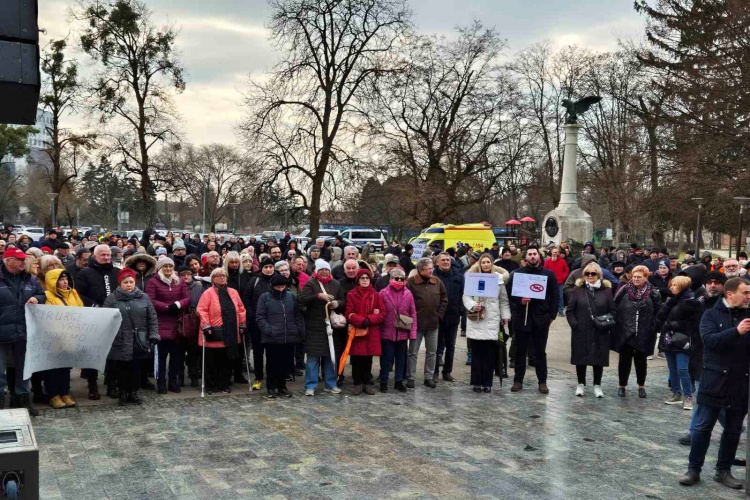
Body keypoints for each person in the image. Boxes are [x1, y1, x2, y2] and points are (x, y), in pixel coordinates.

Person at [679, 278, 750, 489]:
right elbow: (710, 341)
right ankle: (693, 469)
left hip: (741, 383)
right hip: (714, 380)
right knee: (703, 427)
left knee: (733, 429)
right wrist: (736, 331)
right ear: (730, 294)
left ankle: (723, 471)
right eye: (745, 292)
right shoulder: (710, 314)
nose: (749, 296)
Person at [506, 246, 560, 394]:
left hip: (541, 319)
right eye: (529, 254)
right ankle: (518, 380)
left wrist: (552, 316)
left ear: (539, 256)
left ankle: (542, 381)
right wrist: (519, 301)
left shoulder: (548, 274)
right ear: (525, 258)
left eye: (534, 254)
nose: (532, 257)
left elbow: (555, 296)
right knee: (520, 351)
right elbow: (509, 295)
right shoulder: (517, 274)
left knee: (540, 352)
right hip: (522, 318)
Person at [104, 268, 159, 406]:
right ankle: (123, 392)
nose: (129, 285)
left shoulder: (144, 297)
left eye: (131, 282)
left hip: (139, 339)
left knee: (136, 367)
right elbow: (105, 318)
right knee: (122, 368)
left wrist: (153, 334)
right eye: (125, 282)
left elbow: (152, 317)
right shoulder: (112, 299)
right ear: (120, 283)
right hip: (120, 339)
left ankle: (133, 392)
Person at [0, 248, 45, 415]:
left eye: (24, 259)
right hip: (2, 333)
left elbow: (42, 294)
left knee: (24, 368)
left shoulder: (30, 279)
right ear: (8, 260)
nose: (23, 262)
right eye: (19, 259)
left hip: (24, 332)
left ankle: (22, 399)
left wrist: (38, 298)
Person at [74, 244, 120, 400]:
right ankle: (92, 385)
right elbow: (78, 294)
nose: (107, 258)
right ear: (95, 256)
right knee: (92, 353)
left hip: (113, 317)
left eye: (108, 255)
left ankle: (112, 383)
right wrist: (94, 304)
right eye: (103, 255)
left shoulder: (116, 272)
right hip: (93, 317)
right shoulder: (85, 273)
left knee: (114, 352)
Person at [565, 262, 616, 398]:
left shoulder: (607, 291)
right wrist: (575, 325)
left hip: (600, 330)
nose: (590, 276)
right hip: (581, 329)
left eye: (593, 273)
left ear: (598, 275)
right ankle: (581, 383)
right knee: (580, 357)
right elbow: (570, 310)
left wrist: (605, 323)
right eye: (587, 273)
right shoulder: (577, 290)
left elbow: (613, 310)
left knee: (598, 357)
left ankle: (597, 385)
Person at [462, 254, 511, 393]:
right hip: (477, 319)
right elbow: (466, 297)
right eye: (483, 262)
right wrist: (473, 305)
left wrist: (505, 316)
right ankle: (476, 382)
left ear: (492, 263)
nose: (486, 264)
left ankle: (487, 383)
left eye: (488, 262)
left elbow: (503, 301)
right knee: (477, 354)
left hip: (492, 321)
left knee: (489, 355)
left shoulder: (499, 280)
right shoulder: (472, 278)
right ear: (479, 264)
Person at [612, 265, 661, 398]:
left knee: (641, 361)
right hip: (626, 331)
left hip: (644, 332)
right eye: (634, 276)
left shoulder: (653, 292)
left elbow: (658, 312)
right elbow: (614, 305)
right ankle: (622, 385)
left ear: (646, 278)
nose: (635, 279)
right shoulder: (624, 289)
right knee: (624, 361)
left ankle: (641, 386)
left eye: (639, 277)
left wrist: (654, 326)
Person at [196, 268, 247, 394]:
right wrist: (206, 325)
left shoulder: (233, 292)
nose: (222, 277)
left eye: (224, 275)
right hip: (213, 331)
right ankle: (210, 385)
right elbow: (201, 310)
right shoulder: (208, 293)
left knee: (227, 360)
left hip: (230, 332)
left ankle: (224, 383)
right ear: (213, 278)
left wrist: (242, 323)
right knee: (211, 361)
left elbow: (241, 309)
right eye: (219, 275)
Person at [298, 260, 345, 396]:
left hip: (331, 327)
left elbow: (343, 301)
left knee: (331, 357)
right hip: (314, 326)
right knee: (313, 358)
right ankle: (310, 385)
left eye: (326, 270)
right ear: (316, 271)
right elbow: (303, 300)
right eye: (321, 270)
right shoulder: (310, 283)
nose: (324, 272)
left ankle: (331, 384)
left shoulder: (336, 284)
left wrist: (336, 303)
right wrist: (318, 296)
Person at [255, 274, 305, 399]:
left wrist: (298, 329)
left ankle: (282, 386)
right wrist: (269, 330)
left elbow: (297, 315)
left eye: (283, 287)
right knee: (272, 363)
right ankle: (271, 387)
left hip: (288, 336)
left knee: (285, 363)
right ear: (272, 287)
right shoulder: (264, 298)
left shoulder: (291, 297)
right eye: (278, 287)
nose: (281, 289)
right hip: (272, 337)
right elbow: (260, 317)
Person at [145, 257, 190, 394]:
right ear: (160, 268)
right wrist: (166, 307)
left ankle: (173, 381)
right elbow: (150, 300)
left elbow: (187, 298)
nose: (168, 269)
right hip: (160, 322)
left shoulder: (180, 281)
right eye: (165, 266)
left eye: (170, 266)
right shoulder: (153, 282)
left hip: (177, 324)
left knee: (176, 357)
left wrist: (177, 305)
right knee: (161, 357)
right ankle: (161, 383)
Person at [656, 276, 701, 410]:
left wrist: (672, 324)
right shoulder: (672, 301)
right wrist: (662, 325)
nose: (671, 287)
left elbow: (694, 323)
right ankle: (676, 393)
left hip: (683, 340)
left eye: (674, 285)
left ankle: (688, 396)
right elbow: (661, 316)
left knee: (682, 369)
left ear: (681, 287)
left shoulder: (691, 302)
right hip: (668, 338)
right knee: (672, 369)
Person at [43, 269, 84, 409]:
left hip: (70, 336)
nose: (65, 282)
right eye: (61, 279)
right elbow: (49, 316)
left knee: (66, 367)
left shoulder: (73, 293)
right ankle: (53, 395)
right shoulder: (47, 295)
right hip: (55, 338)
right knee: (53, 368)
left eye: (66, 278)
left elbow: (80, 309)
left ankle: (64, 392)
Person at [406, 258, 447, 388]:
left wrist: (439, 315)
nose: (431, 270)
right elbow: (406, 301)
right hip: (416, 324)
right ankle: (410, 377)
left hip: (433, 323)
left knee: (432, 352)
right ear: (420, 270)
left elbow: (444, 299)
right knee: (413, 352)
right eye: (428, 269)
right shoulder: (411, 282)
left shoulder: (437, 281)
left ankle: (429, 377)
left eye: (431, 268)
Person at [345, 268, 386, 395]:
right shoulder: (352, 294)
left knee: (368, 359)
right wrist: (361, 320)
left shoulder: (376, 295)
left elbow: (383, 313)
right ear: (358, 280)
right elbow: (349, 312)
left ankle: (366, 383)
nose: (365, 280)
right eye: (362, 278)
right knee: (357, 359)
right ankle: (357, 383)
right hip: (357, 331)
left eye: (367, 278)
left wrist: (370, 319)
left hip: (371, 331)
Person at [378, 267, 417, 392]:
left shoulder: (408, 293)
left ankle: (398, 381)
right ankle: (384, 381)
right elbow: (379, 312)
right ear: (391, 279)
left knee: (401, 359)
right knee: (386, 358)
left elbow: (413, 313)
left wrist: (412, 333)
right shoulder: (383, 293)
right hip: (387, 332)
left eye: (402, 278)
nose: (399, 281)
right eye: (396, 278)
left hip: (402, 332)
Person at [244, 258, 275, 390]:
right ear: (261, 268)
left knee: (272, 352)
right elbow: (247, 299)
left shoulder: (277, 279)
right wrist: (252, 316)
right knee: (257, 352)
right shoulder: (254, 280)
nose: (268, 269)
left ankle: (272, 377)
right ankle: (258, 377)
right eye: (266, 267)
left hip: (273, 323)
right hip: (257, 323)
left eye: (270, 266)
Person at [433, 252, 464, 382]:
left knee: (451, 345)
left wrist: (461, 310)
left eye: (448, 260)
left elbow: (463, 293)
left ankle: (447, 371)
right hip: (437, 316)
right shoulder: (433, 276)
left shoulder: (458, 276)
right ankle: (434, 372)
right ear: (437, 262)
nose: (446, 262)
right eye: (443, 260)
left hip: (453, 315)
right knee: (435, 345)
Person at [544, 247, 569, 317]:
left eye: (556, 252)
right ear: (551, 253)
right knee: (548, 297)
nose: (554, 253)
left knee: (560, 297)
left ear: (558, 253)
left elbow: (566, 270)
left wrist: (563, 277)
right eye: (553, 252)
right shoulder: (548, 261)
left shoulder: (563, 261)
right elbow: (544, 270)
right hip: (549, 283)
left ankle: (560, 311)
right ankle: (549, 310)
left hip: (559, 282)